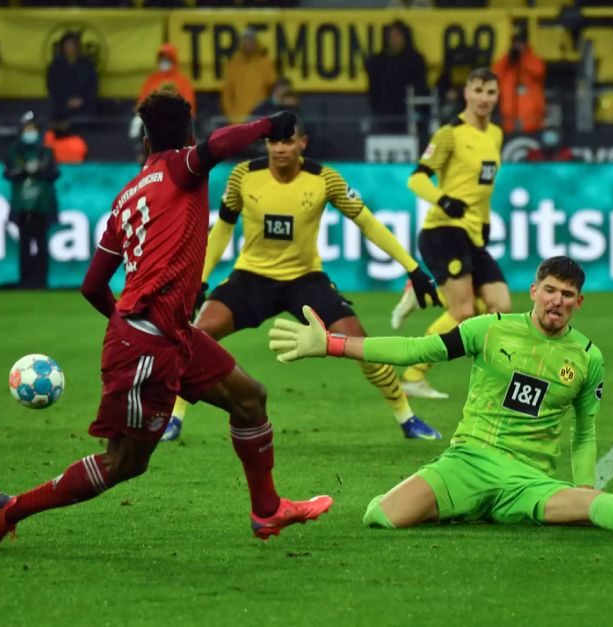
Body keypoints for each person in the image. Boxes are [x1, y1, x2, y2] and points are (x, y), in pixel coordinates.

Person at [0, 93, 331, 550]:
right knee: (124, 462)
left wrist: (125, 320)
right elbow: (220, 146)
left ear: (144, 140)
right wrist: (267, 125)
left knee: (249, 399)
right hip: (148, 343)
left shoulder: (126, 198)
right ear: (188, 135)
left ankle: (266, 511)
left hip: (165, 333)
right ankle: (10, 508)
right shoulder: (184, 166)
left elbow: (91, 285)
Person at [269, 256, 613, 535]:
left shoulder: (588, 357)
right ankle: (468, 502)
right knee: (381, 516)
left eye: (567, 295)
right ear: (533, 291)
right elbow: (416, 348)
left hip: (527, 480)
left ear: (579, 303)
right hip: (468, 460)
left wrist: (583, 484)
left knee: (596, 505)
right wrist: (331, 344)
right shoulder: (489, 329)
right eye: (549, 290)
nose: (557, 301)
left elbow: (585, 431)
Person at [162, 112, 443, 443]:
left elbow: (367, 223)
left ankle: (407, 417)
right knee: (197, 335)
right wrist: (200, 280)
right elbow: (222, 228)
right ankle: (172, 418)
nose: (280, 148)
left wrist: (412, 268)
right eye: (274, 141)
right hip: (251, 278)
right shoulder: (243, 176)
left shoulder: (324, 179)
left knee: (359, 341)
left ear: (302, 143)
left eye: (288, 141)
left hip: (305, 281)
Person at [392, 67, 510, 400]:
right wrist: (443, 199)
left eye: (491, 92)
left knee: (499, 306)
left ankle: (425, 293)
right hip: (443, 232)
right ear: (467, 94)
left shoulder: (496, 135)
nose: (484, 98)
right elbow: (416, 179)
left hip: (472, 234)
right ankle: (414, 375)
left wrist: (484, 224)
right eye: (478, 91)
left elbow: (484, 189)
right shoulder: (449, 134)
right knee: (462, 313)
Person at [4, 112, 60, 290]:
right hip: (23, 206)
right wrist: (23, 171)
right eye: (27, 129)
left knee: (42, 243)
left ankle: (41, 280)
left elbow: (54, 173)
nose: (30, 132)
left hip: (42, 205)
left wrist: (38, 171)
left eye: (33, 129)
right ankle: (25, 280)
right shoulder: (13, 151)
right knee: (25, 244)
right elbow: (7, 173)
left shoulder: (47, 152)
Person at [364, 20, 428, 134]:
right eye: (391, 35)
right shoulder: (379, 61)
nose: (394, 39)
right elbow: (374, 90)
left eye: (397, 35)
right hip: (385, 114)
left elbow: (421, 87)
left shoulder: (415, 60)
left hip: (409, 112)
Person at [491, 29, 546, 134]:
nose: (518, 46)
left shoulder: (532, 60)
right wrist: (508, 57)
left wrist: (523, 57)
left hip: (532, 122)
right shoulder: (506, 65)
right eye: (515, 43)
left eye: (520, 43)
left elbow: (539, 71)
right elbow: (495, 74)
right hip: (509, 121)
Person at [222, 28, 278, 123]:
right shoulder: (234, 65)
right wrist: (232, 116)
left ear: (256, 42)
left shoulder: (266, 63)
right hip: (239, 119)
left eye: (250, 41)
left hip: (260, 117)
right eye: (245, 41)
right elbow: (227, 94)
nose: (248, 44)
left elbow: (272, 89)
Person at [47, 31, 98, 118]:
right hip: (61, 108)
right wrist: (66, 101)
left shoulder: (87, 64)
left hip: (85, 108)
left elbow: (93, 86)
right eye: (67, 44)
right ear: (62, 47)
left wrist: (82, 100)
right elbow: (53, 88)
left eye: (73, 44)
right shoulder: (55, 66)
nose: (70, 47)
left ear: (78, 46)